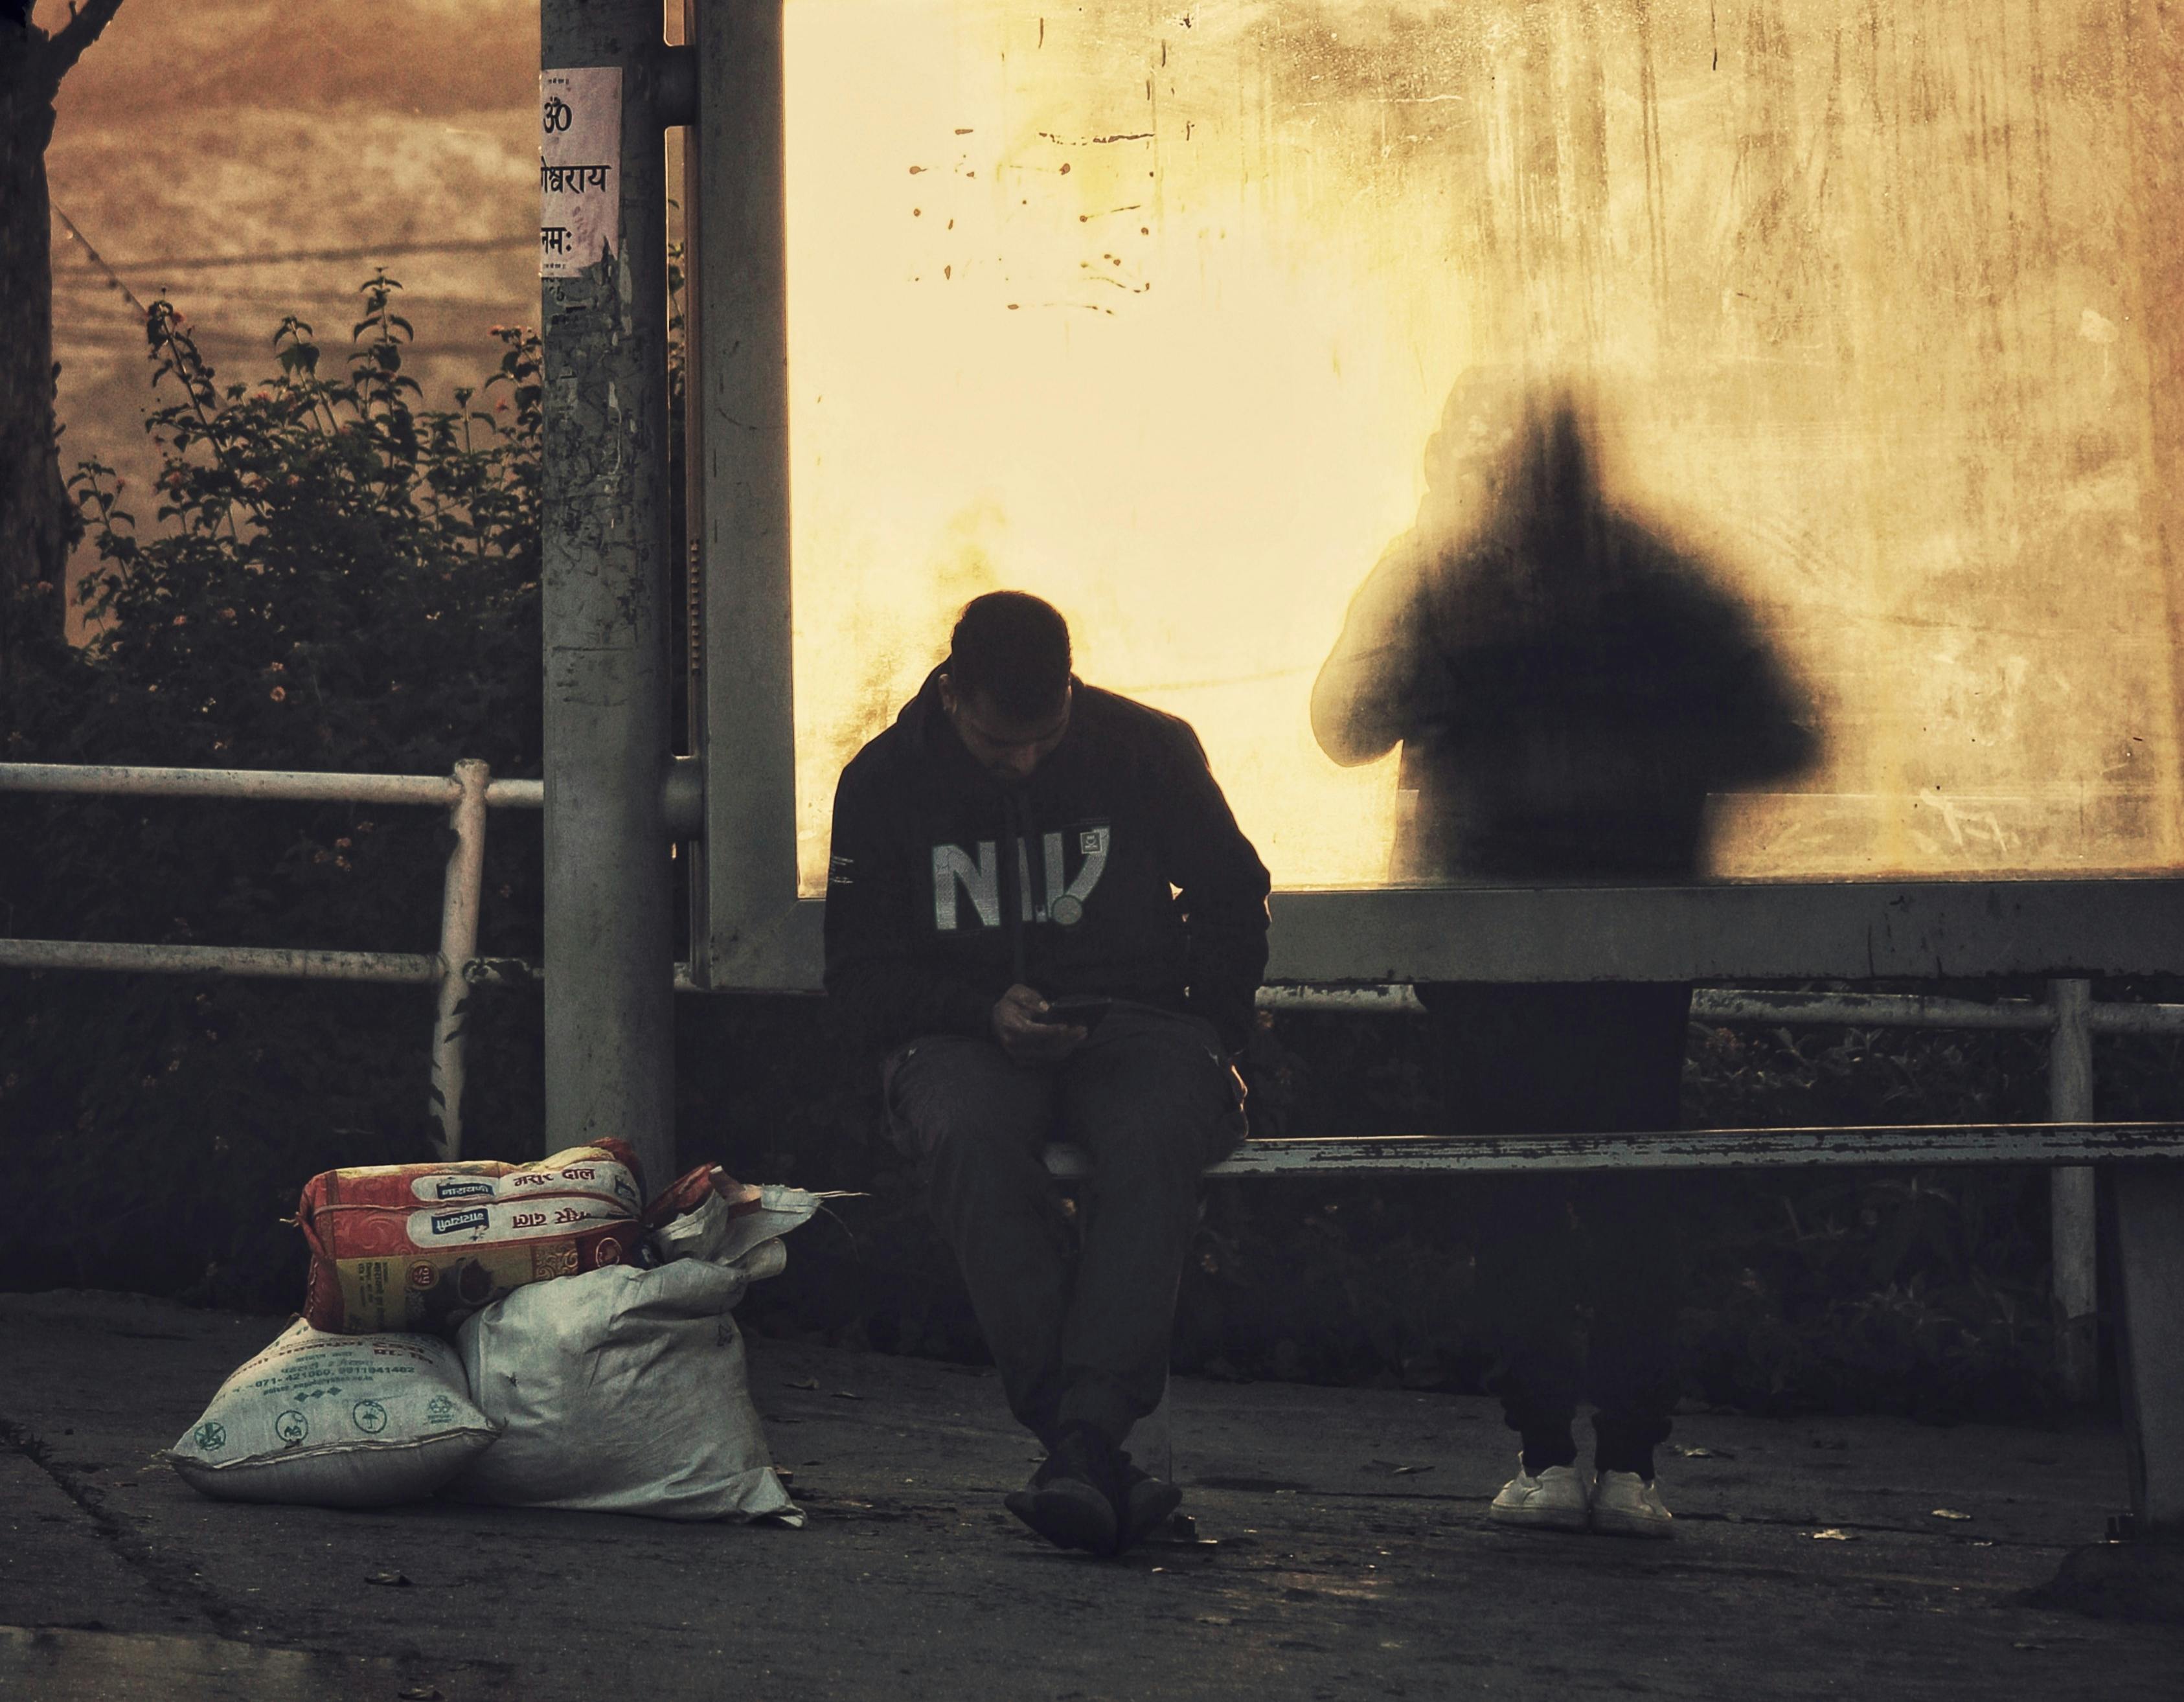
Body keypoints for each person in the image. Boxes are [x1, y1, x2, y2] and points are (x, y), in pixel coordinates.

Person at [1312, 376, 1815, 1539]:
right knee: (1632, 1186)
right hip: (1632, 939)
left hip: (1479, 939)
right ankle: (1630, 1465)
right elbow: (1784, 730)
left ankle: (1544, 1454)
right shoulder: (1661, 575)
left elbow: (1341, 725)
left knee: (1512, 1188)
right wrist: (1642, 756)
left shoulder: (1434, 572)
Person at [825, 591, 1270, 1556]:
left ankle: (1080, 1446)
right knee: (969, 1138)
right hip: (958, 1035)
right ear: (951, 693)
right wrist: (977, 1009)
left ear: (1071, 688)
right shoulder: (884, 782)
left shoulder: (1147, 747)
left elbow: (1235, 891)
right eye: (999, 746)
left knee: (1156, 1133)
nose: (1025, 761)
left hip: (1141, 1023)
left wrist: (1212, 1035)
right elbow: (858, 980)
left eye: (1045, 738)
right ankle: (1090, 1443)